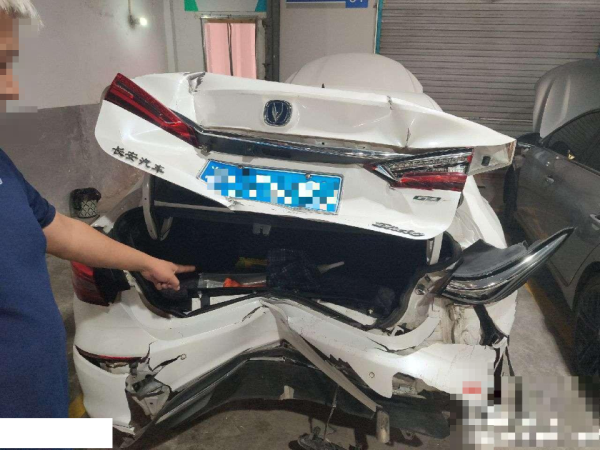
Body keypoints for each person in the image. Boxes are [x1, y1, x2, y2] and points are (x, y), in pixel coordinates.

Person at [0, 0, 194, 420]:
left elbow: (59, 229)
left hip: (41, 402)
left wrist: (147, 262)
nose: (11, 89)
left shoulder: (1, 166)